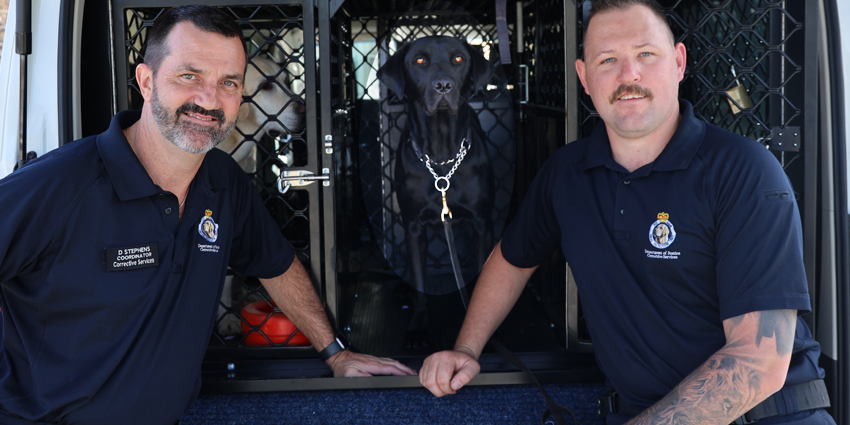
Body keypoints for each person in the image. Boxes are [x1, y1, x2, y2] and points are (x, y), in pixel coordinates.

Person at [419, 1, 835, 424]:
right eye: (608, 60)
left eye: (645, 55)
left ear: (678, 62)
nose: (628, 74)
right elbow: (512, 259)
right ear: (584, 77)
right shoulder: (566, 174)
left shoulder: (743, 171)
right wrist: (467, 348)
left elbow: (756, 364)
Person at [0, 5, 415, 425]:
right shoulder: (61, 182)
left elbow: (277, 264)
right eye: (189, 76)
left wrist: (336, 353)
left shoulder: (223, 181)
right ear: (146, 81)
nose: (208, 99)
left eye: (228, 83)